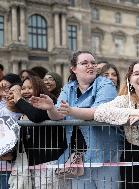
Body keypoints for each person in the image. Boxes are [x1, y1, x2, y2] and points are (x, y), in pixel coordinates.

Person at [47, 61, 139, 188]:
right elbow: (101, 111)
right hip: (131, 153)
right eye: (136, 73)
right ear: (130, 80)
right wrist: (129, 113)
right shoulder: (124, 100)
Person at [30, 51, 122, 189]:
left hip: (104, 155)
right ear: (73, 68)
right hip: (78, 157)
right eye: (84, 63)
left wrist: (71, 111)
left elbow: (99, 112)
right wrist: (50, 108)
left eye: (92, 63)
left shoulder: (106, 84)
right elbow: (58, 115)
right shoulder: (68, 88)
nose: (90, 66)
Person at [7, 76, 67, 189]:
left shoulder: (49, 103)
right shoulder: (24, 111)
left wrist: (18, 99)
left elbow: (36, 116)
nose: (26, 91)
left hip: (49, 165)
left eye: (30, 88)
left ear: (39, 88)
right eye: (23, 88)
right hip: (30, 168)